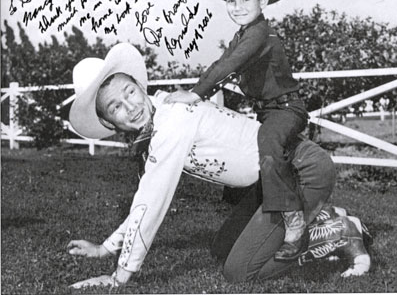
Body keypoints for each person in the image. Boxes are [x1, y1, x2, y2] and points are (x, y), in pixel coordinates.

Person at [66, 43, 368, 288]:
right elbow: (144, 199)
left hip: (301, 170)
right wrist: (105, 248)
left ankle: (334, 233)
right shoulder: (160, 121)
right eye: (115, 107)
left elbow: (150, 203)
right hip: (269, 180)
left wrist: (119, 277)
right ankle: (320, 215)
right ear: (108, 121)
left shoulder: (171, 123)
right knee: (221, 249)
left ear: (139, 86)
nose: (130, 107)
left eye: (129, 92)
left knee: (241, 271)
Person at [164, 0, 309, 261]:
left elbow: (231, 64)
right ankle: (247, 212)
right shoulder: (244, 34)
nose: (238, 7)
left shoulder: (260, 34)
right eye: (231, 1)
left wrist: (195, 95)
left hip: (286, 109)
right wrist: (194, 91)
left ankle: (295, 224)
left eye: (246, 0)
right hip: (265, 110)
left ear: (263, 1)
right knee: (237, 146)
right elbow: (220, 62)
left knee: (268, 142)